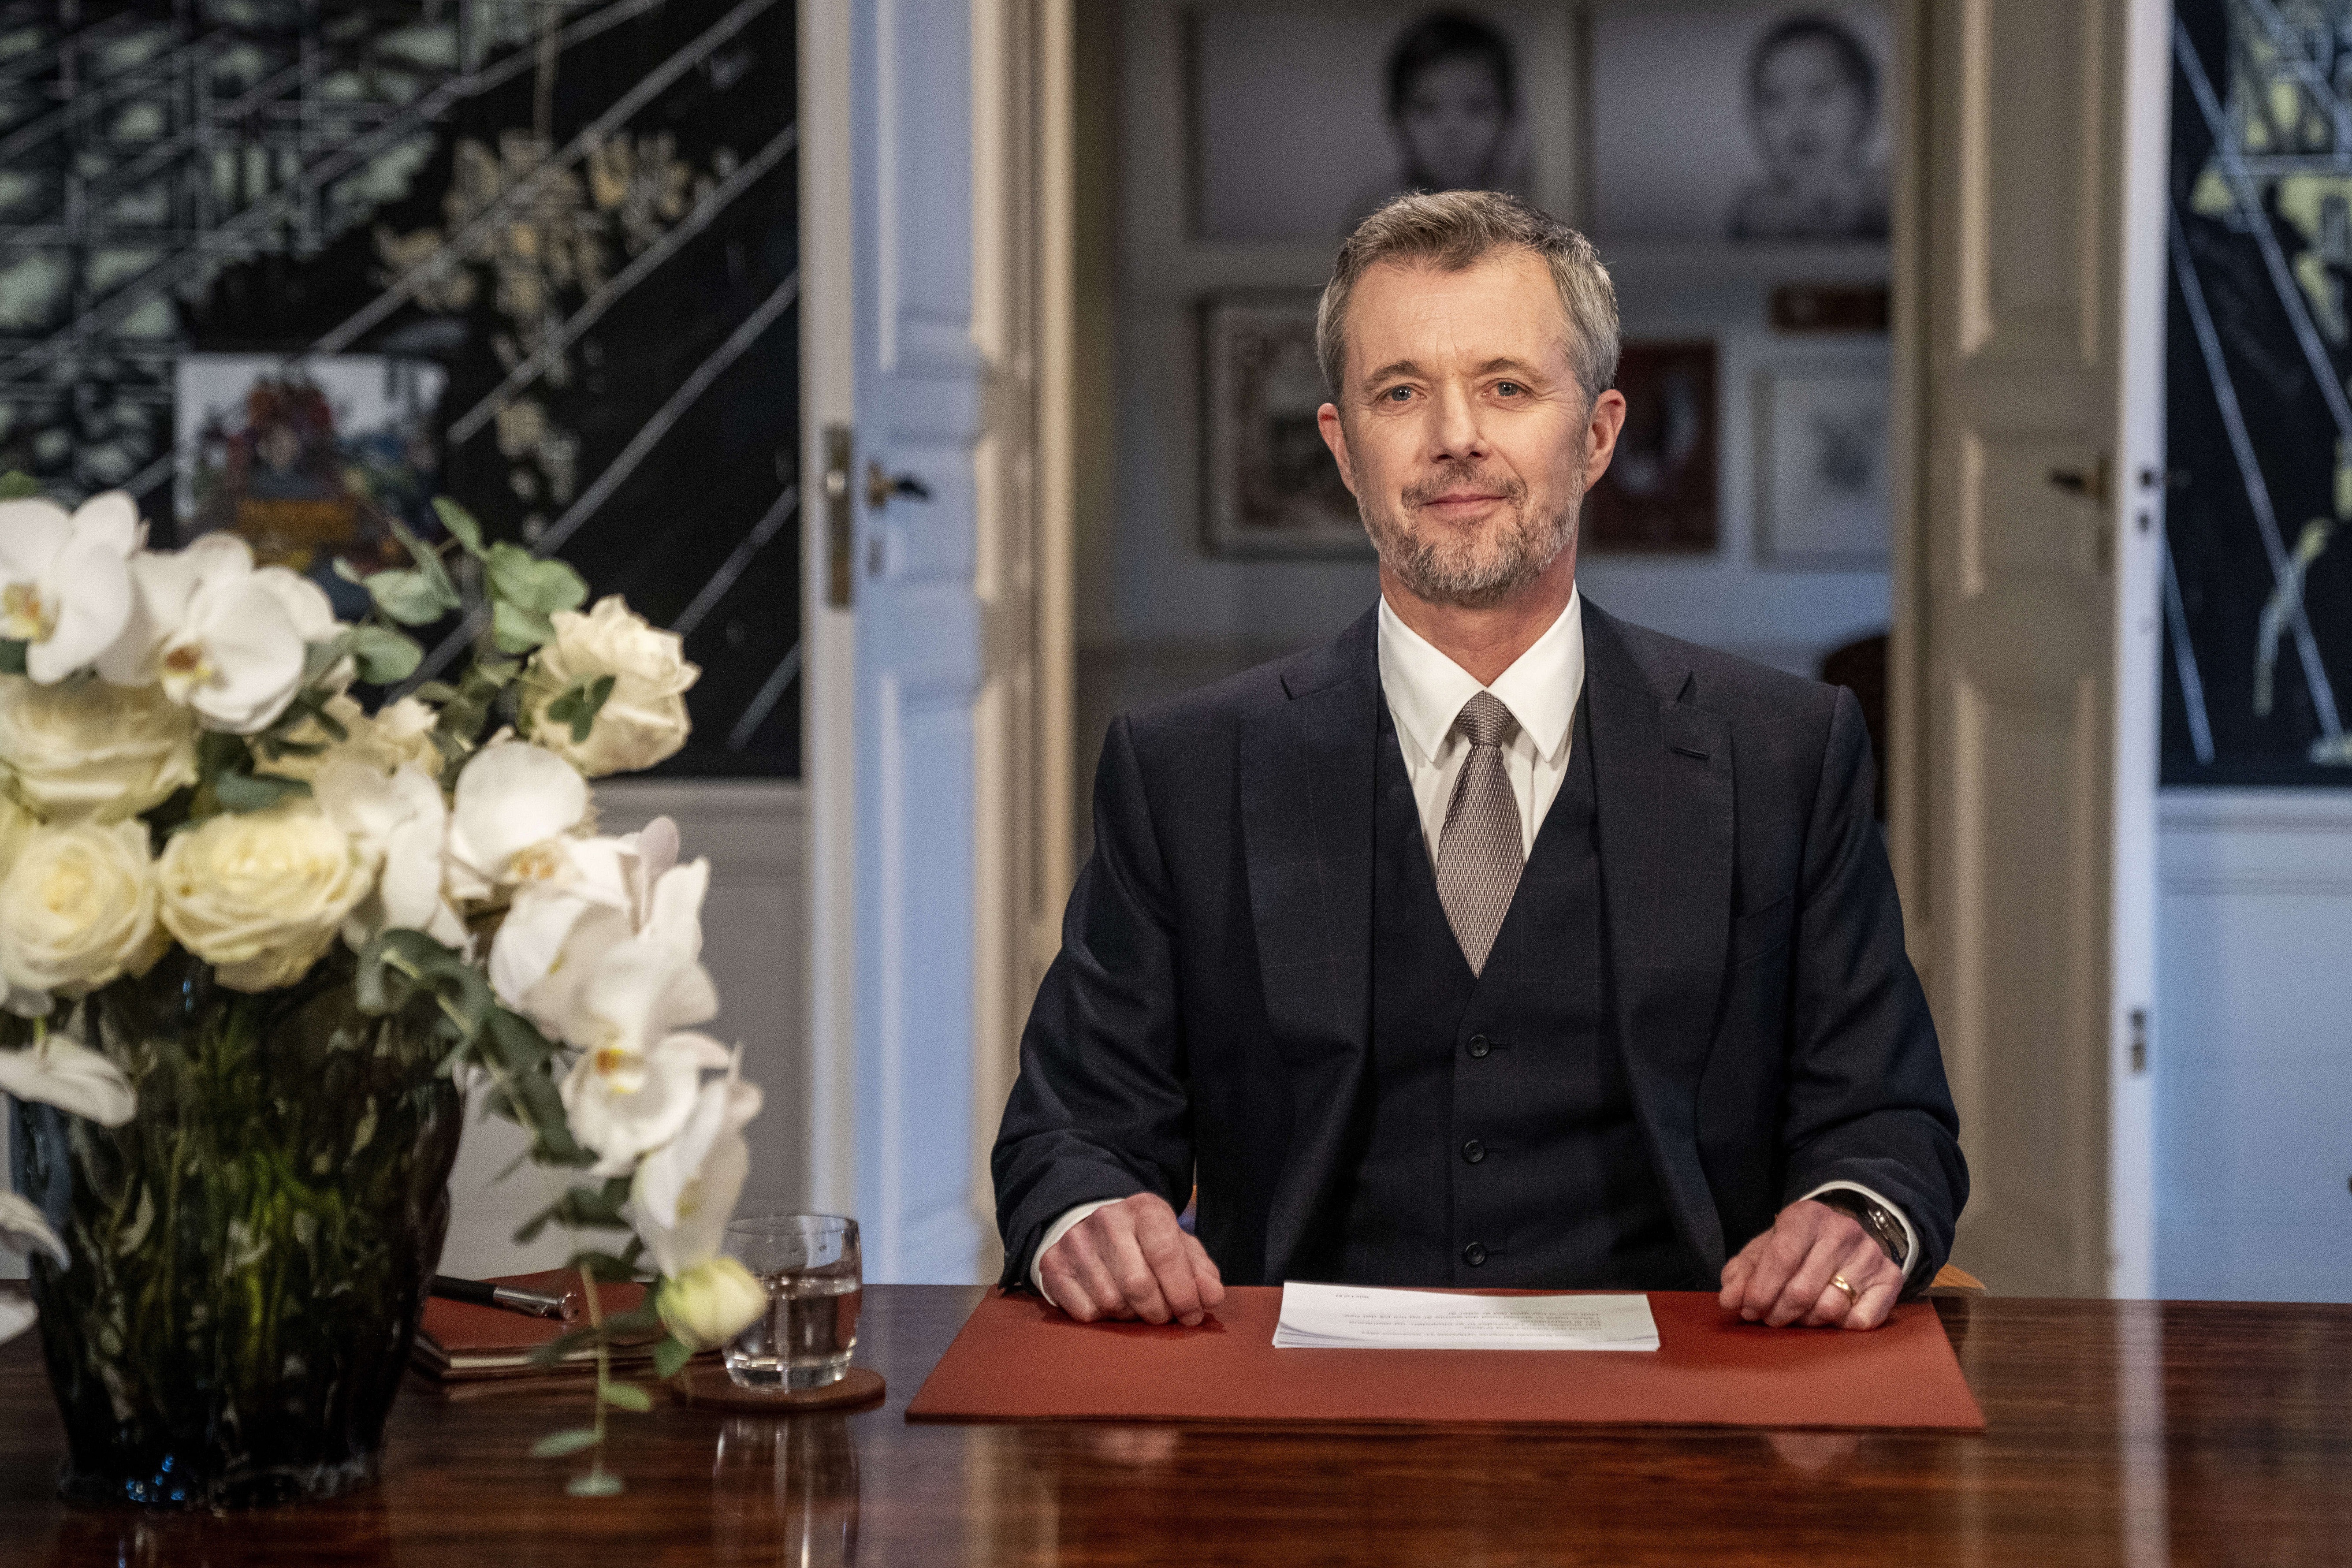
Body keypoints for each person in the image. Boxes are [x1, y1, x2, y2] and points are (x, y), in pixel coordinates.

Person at [992, 191, 1964, 1334]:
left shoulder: (1788, 757)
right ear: (1343, 448)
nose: (1456, 434)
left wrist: (1858, 1215)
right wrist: (1092, 1212)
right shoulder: (1184, 772)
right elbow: (1069, 1131)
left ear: (1598, 434)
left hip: (1692, 1411)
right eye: (1400, 391)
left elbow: (1891, 1120)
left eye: (1507, 385)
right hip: (1291, 1424)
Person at [1347, 12, 1527, 225]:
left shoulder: (1535, 216)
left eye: (1477, 107)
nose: (1452, 130)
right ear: (1397, 118)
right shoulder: (1372, 221)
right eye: (1427, 108)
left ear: (1509, 115)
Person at [1728, 14, 1890, 242]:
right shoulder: (1759, 210)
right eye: (1775, 99)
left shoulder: (1886, 195)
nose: (1797, 115)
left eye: (1819, 92)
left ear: (1866, 104)